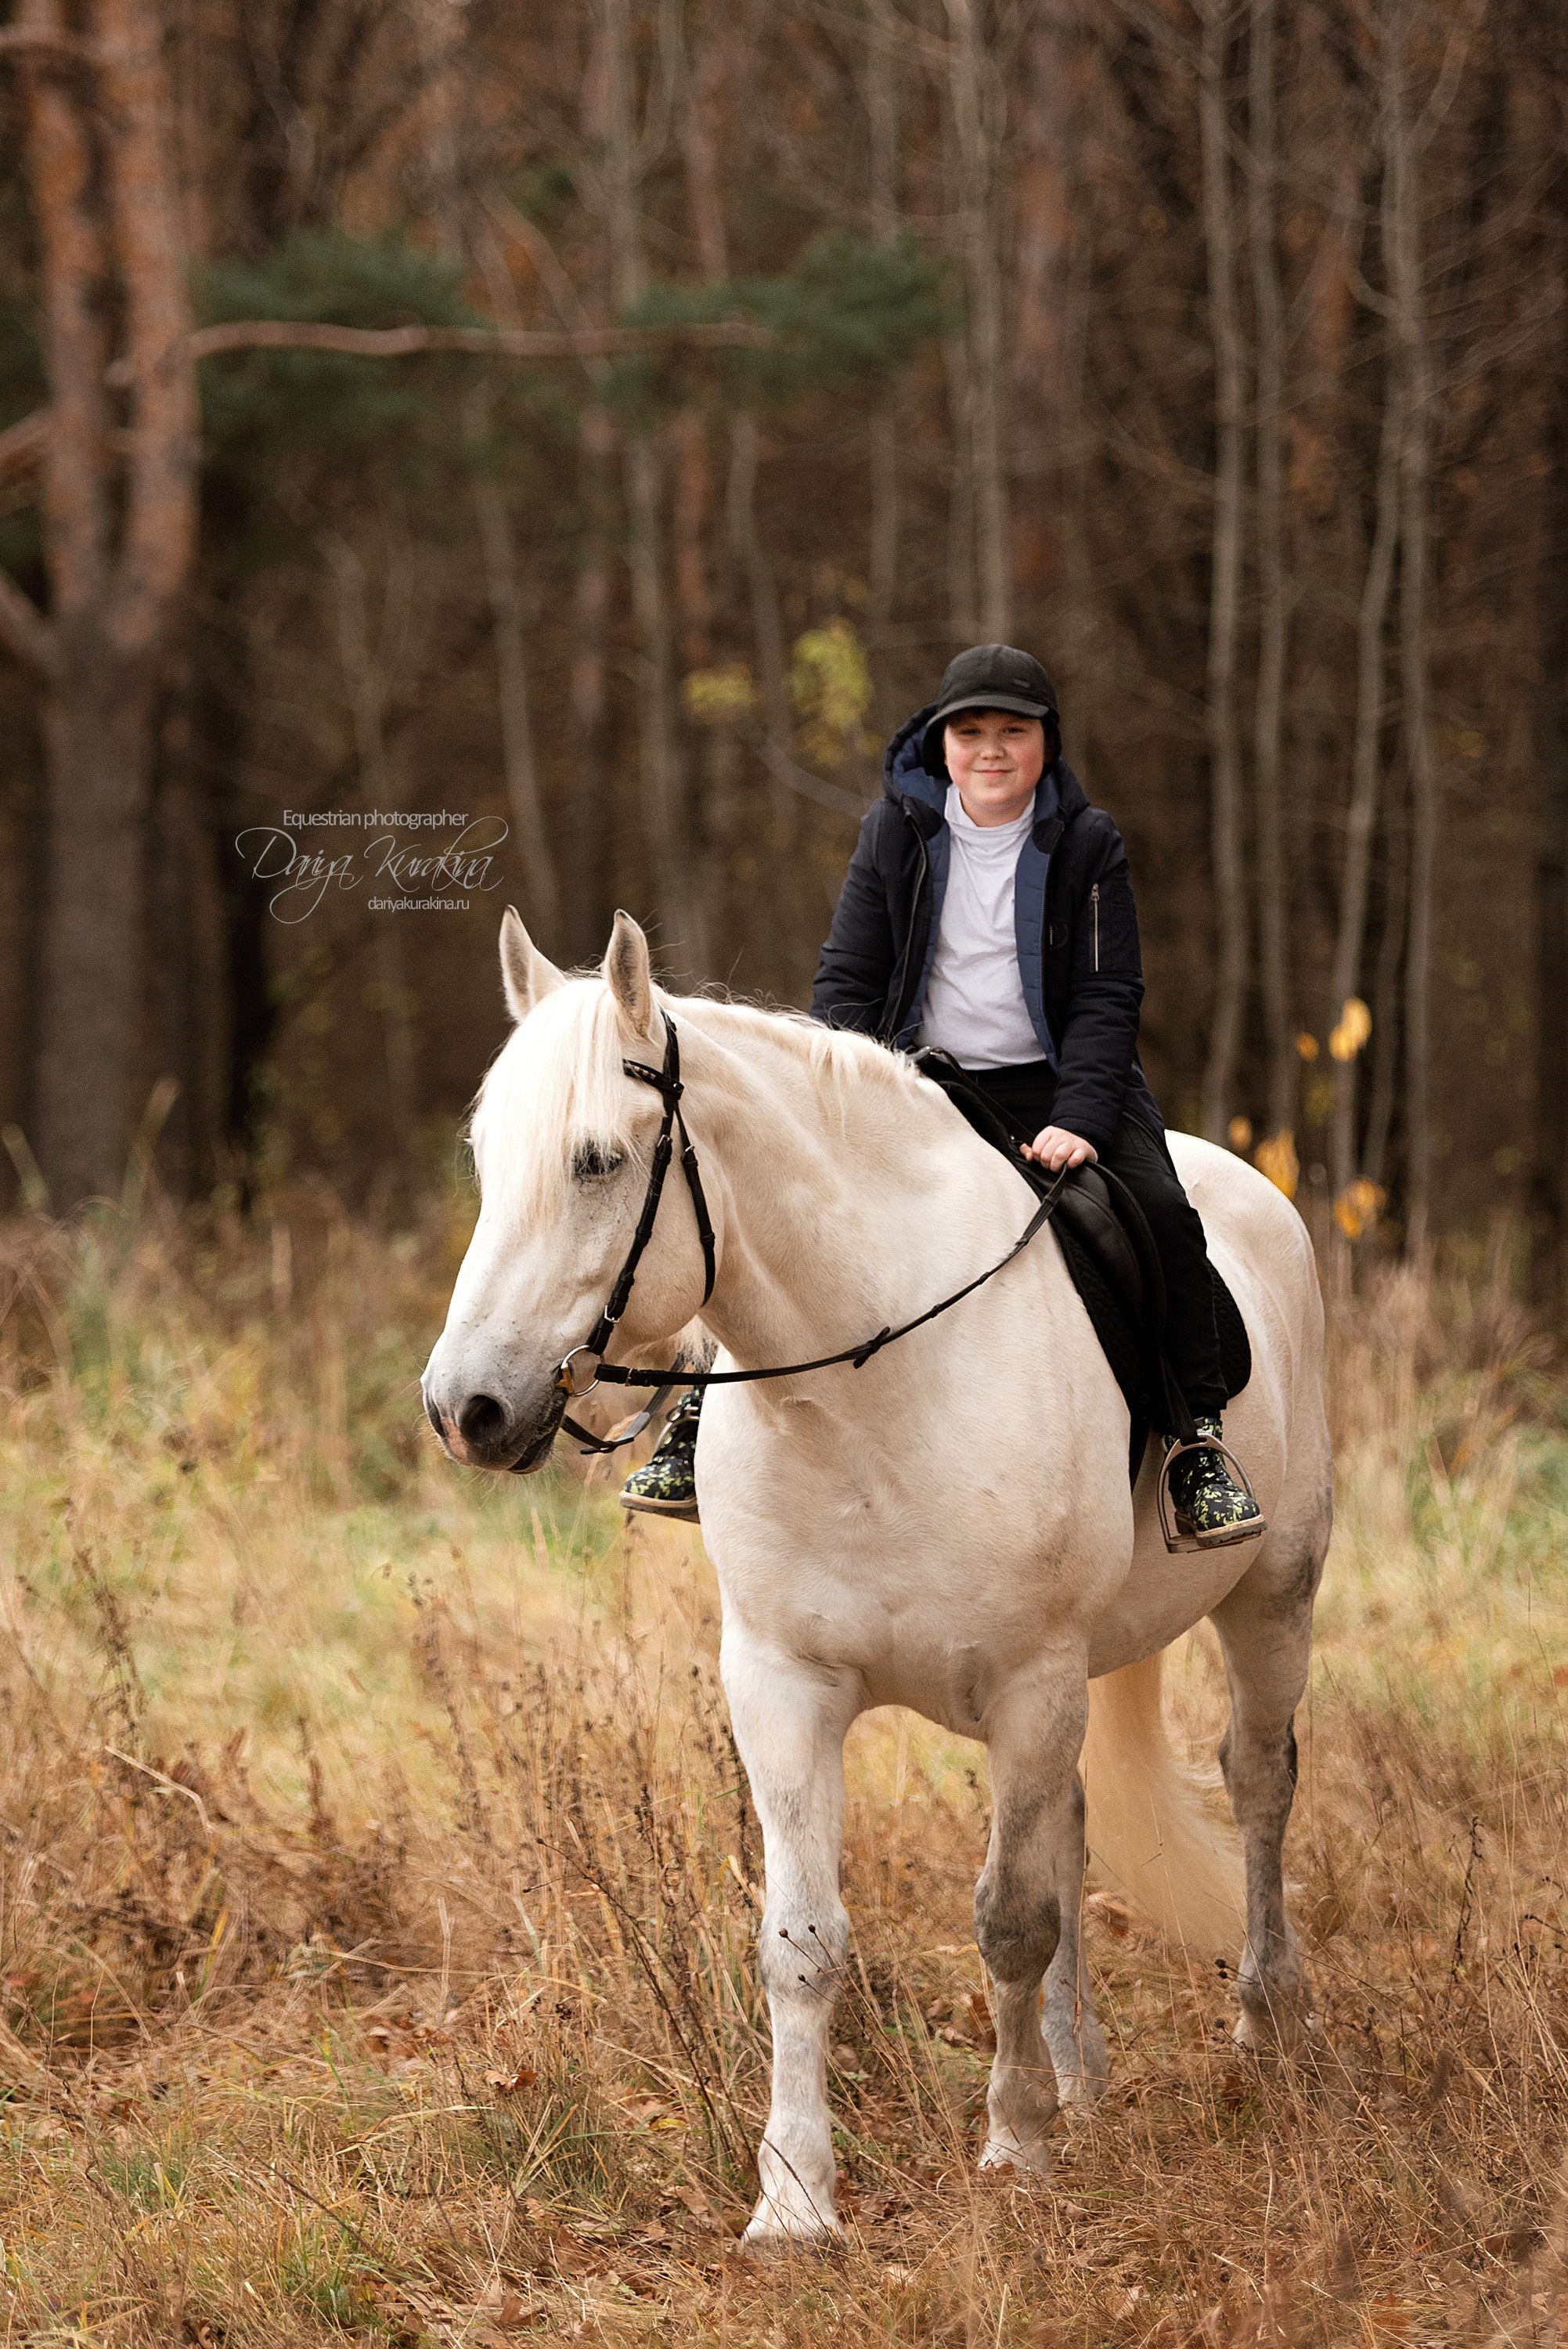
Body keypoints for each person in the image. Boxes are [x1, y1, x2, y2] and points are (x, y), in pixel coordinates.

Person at [620, 642, 1263, 1546]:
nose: (990, 750)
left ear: (1045, 741)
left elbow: (1107, 995)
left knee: (1157, 1211)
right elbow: (849, 978)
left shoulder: (1087, 842)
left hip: (1062, 1081)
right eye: (971, 732)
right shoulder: (896, 832)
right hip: (920, 1082)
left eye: (1012, 731)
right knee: (770, 1212)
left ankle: (1196, 1442)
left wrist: (1080, 1119)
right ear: (941, 743)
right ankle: (697, 1419)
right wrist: (831, 1100)